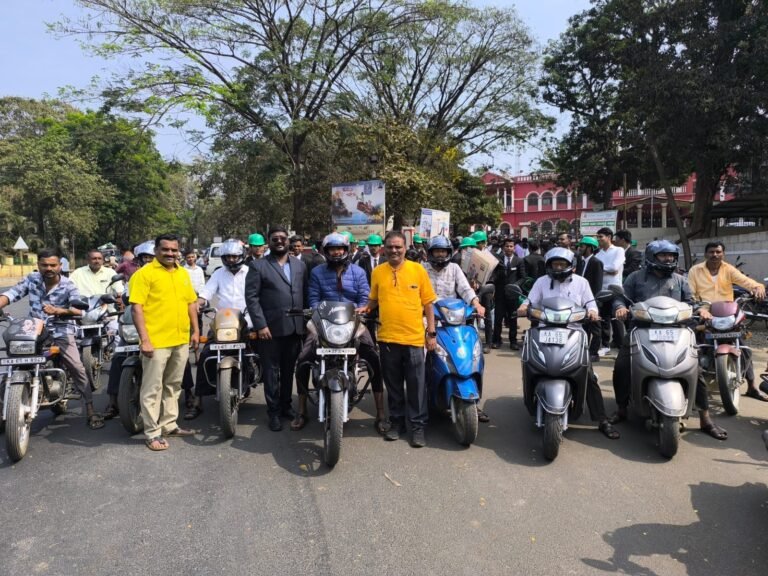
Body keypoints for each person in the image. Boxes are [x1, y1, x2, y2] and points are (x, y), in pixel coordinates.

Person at [609, 240, 728, 440]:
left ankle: (705, 418)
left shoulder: (680, 280)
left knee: (695, 370)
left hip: (677, 331)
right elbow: (621, 298)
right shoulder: (635, 278)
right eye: (663, 256)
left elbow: (691, 302)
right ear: (651, 258)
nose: (668, 259)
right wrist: (620, 307)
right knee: (622, 366)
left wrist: (701, 311)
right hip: (642, 329)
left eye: (671, 256)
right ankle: (622, 408)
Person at [518, 248, 620, 440]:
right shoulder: (541, 282)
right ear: (549, 266)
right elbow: (529, 301)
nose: (558, 268)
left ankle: (602, 420)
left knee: (587, 374)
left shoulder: (582, 283)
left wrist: (592, 312)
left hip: (573, 331)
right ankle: (531, 398)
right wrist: (523, 307)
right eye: (555, 264)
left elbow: (591, 303)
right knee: (530, 363)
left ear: (571, 266)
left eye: (562, 264)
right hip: (544, 331)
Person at [292, 233, 387, 433]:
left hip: (354, 321)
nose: (337, 252)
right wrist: (320, 313)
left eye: (340, 249)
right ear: (326, 252)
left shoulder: (358, 272)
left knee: (373, 357)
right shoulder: (317, 272)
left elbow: (364, 296)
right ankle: (301, 411)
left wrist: (362, 309)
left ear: (347, 250)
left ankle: (380, 413)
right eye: (332, 249)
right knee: (303, 359)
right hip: (323, 322)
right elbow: (314, 298)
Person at [0, 248, 105, 429]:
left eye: (53, 265)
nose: (49, 268)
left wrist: (60, 311)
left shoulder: (68, 285)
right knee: (12, 362)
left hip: (61, 330)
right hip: (33, 329)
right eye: (44, 265)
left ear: (60, 266)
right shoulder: (31, 279)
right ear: (38, 265)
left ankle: (90, 409)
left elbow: (78, 309)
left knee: (76, 366)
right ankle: (6, 407)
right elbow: (12, 294)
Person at [361, 230, 438, 448]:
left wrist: (430, 333)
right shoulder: (378, 272)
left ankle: (417, 427)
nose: (394, 250)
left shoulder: (418, 270)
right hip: (387, 339)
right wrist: (365, 307)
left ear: (405, 248)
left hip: (413, 338)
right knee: (393, 385)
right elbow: (374, 300)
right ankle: (396, 423)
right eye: (390, 247)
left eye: (398, 247)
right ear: (384, 249)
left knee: (416, 386)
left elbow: (428, 304)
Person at [129, 234, 199, 451]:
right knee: (152, 388)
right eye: (165, 249)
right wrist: (145, 340)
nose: (170, 253)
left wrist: (195, 330)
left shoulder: (183, 274)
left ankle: (169, 424)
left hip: (180, 339)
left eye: (173, 250)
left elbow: (191, 303)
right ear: (156, 250)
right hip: (156, 342)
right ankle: (152, 433)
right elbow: (136, 307)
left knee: (174, 385)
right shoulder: (144, 274)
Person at [245, 225, 308, 431]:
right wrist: (260, 324)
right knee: (271, 372)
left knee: (289, 370)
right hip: (269, 329)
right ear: (268, 242)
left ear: (288, 241)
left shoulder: (299, 266)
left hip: (295, 328)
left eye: (283, 238)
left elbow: (304, 294)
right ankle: (273, 412)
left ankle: (286, 406)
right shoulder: (259, 266)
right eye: (275, 239)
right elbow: (252, 298)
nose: (279, 241)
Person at [687, 240, 767, 401]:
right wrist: (700, 308)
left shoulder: (728, 269)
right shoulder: (695, 270)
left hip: (727, 314)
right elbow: (691, 294)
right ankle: (691, 385)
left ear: (723, 254)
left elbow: (746, 281)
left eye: (718, 252)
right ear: (706, 254)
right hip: (705, 314)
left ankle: (751, 387)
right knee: (693, 345)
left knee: (743, 346)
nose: (715, 255)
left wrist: (758, 287)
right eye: (711, 252)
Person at [423, 236, 489, 422]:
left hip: (452, 319)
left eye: (443, 251)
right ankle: (419, 401)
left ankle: (473, 402)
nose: (440, 254)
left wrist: (477, 304)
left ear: (449, 253)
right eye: (437, 251)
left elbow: (466, 289)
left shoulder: (454, 268)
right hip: (427, 318)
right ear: (431, 253)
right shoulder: (422, 269)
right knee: (421, 354)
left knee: (472, 352)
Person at [186, 239, 252, 419]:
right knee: (206, 354)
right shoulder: (218, 274)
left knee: (261, 354)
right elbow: (206, 293)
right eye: (228, 257)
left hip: (247, 321)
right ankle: (198, 402)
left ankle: (271, 400)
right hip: (223, 322)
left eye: (234, 256)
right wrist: (200, 302)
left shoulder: (251, 272)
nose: (231, 260)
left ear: (241, 256)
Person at [595, 227, 625, 355]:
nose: (599, 239)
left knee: (617, 316)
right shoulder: (598, 254)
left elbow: (614, 267)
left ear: (609, 237)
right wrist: (608, 271)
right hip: (602, 289)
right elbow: (609, 269)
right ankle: (605, 345)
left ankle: (621, 344)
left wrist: (603, 270)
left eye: (601, 237)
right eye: (598, 237)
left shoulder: (619, 250)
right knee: (605, 317)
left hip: (615, 288)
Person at [492, 237, 525, 351]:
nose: (509, 248)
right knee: (498, 318)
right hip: (500, 294)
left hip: (513, 296)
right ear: (503, 247)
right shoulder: (497, 259)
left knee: (513, 319)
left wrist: (515, 286)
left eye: (511, 246)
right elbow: (493, 275)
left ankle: (513, 341)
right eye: (507, 246)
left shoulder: (519, 261)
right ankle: (496, 340)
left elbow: (523, 277)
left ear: (514, 248)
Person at [576, 237, 604, 361]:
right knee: (584, 327)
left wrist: (594, 303)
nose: (580, 248)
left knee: (596, 328)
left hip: (592, 301)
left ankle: (594, 352)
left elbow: (597, 284)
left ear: (590, 248)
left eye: (582, 246)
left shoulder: (596, 262)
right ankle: (584, 349)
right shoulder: (581, 261)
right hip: (580, 301)